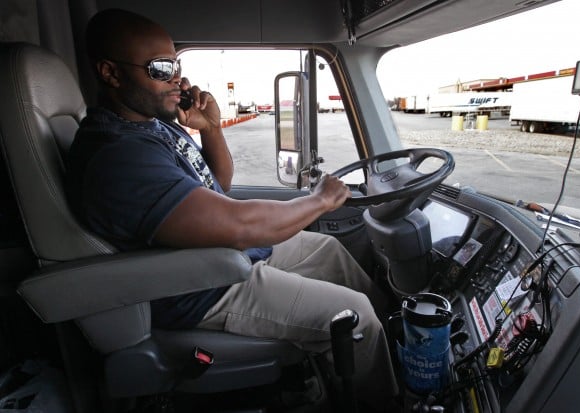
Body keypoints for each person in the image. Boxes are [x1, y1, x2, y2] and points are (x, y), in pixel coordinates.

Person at [67, 8, 398, 410]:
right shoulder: (119, 155)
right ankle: (384, 400)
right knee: (355, 314)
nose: (175, 78)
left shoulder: (151, 125)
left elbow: (216, 186)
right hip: (199, 286)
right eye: (159, 68)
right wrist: (318, 200)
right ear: (111, 73)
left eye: (176, 65)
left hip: (216, 257)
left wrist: (208, 128)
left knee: (328, 251)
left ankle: (390, 347)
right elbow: (238, 224)